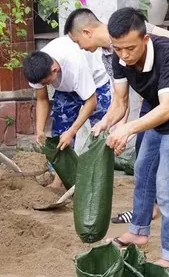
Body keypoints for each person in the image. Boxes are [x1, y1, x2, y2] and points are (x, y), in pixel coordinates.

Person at [92, 7, 169, 270]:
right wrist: (106, 123)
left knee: (168, 188)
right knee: (143, 169)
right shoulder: (119, 58)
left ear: (145, 39)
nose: (124, 55)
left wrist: (128, 129)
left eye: (130, 48)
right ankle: (139, 231)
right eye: (118, 48)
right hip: (156, 111)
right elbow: (120, 103)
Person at [62, 8, 169, 226]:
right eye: (120, 49)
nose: (80, 48)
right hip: (152, 99)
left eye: (78, 41)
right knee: (144, 159)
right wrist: (111, 125)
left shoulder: (128, 29)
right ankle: (148, 211)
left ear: (87, 32)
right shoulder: (109, 55)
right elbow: (120, 100)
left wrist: (165, 80)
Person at [22, 37, 111, 189]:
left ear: (54, 70)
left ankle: (99, 181)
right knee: (61, 134)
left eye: (46, 82)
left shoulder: (75, 66)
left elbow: (91, 102)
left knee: (100, 132)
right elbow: (42, 100)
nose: (45, 86)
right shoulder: (37, 68)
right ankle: (60, 180)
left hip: (96, 83)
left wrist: (73, 130)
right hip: (65, 87)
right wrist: (39, 129)